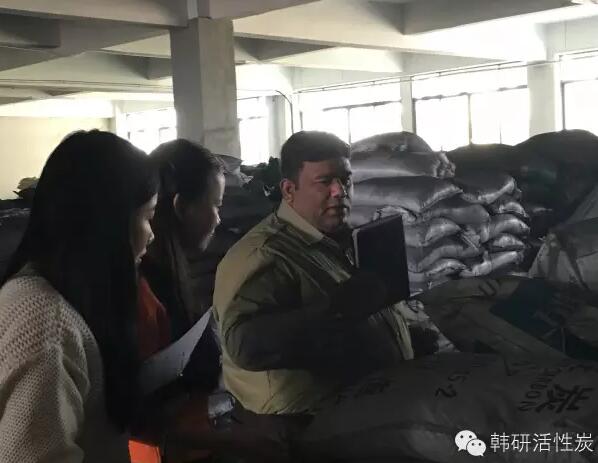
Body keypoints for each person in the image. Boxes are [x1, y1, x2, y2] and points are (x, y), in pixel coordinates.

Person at [213, 130, 414, 416]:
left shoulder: (329, 240)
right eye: (325, 181)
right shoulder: (268, 253)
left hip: (364, 404)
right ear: (288, 190)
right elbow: (244, 344)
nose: (339, 191)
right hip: (305, 424)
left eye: (345, 180)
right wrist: (338, 308)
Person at [0, 130, 159, 463]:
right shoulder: (47, 323)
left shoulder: (62, 298)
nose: (152, 235)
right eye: (148, 216)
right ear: (109, 223)